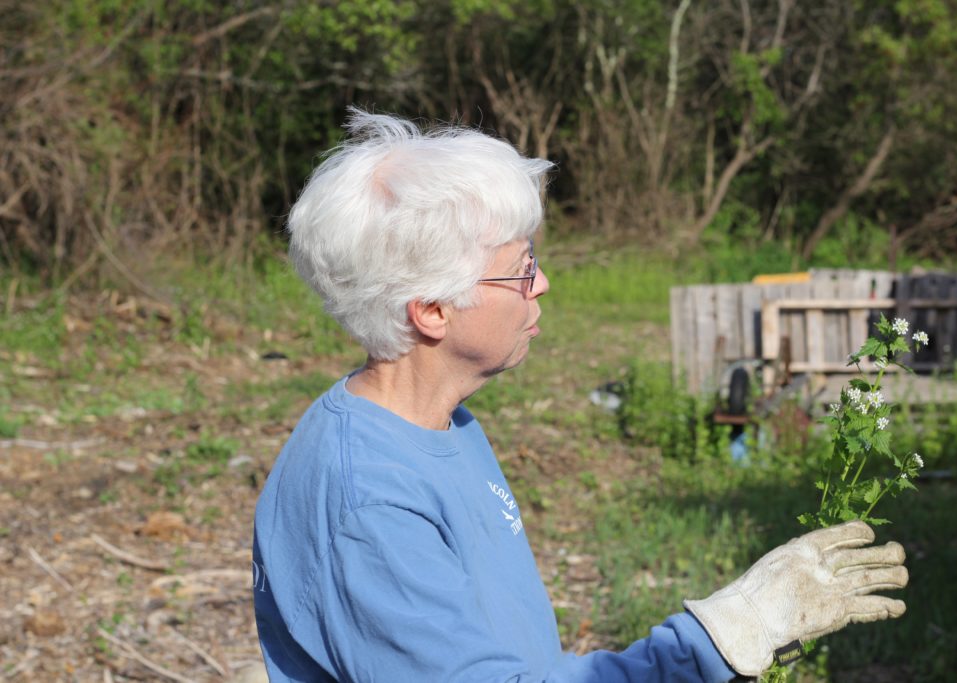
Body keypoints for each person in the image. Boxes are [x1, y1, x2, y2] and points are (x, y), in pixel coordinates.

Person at [251, 110, 909, 682]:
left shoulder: (443, 424)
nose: (542, 285)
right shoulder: (367, 502)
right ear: (431, 310)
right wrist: (719, 639)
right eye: (521, 268)